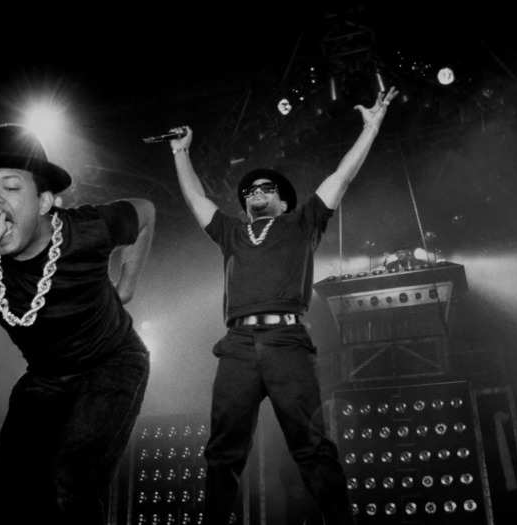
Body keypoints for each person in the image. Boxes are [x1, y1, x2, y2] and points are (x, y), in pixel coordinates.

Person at [0, 123, 155, 524]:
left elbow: (146, 211)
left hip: (112, 362)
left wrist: (127, 285)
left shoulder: (88, 228)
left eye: (11, 186)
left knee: (68, 485)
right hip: (47, 377)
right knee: (3, 501)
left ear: (44, 201)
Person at [169, 87, 398, 525]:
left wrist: (371, 127)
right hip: (237, 344)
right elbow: (196, 199)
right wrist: (181, 152)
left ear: (284, 199)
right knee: (222, 450)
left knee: (311, 445)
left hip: (286, 340)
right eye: (250, 188)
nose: (256, 190)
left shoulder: (303, 221)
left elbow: (341, 177)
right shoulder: (232, 232)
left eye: (266, 187)